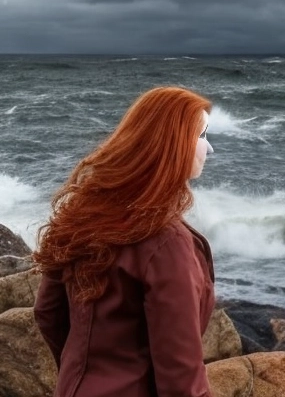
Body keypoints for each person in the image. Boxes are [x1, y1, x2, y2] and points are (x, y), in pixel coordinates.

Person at [33, 86, 216, 397]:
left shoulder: (84, 216)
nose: (209, 149)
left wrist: (86, 372)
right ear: (171, 143)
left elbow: (48, 313)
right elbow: (180, 378)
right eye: (201, 135)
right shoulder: (166, 242)